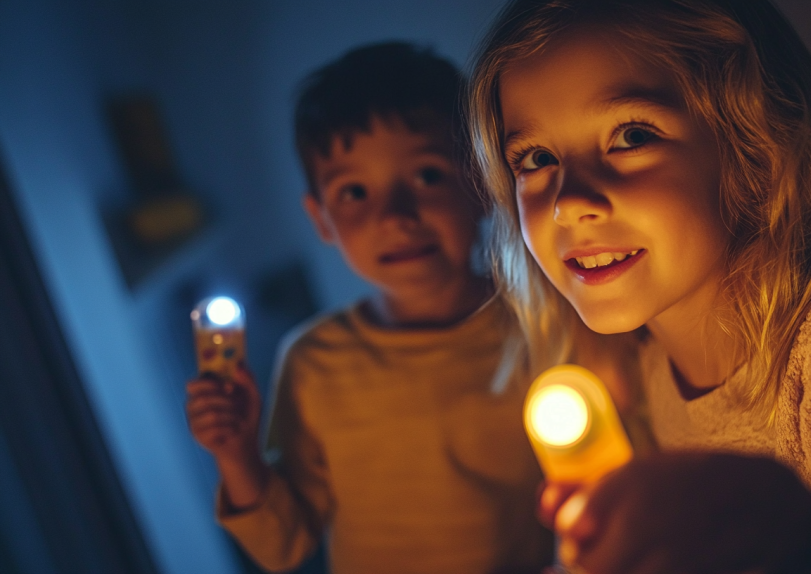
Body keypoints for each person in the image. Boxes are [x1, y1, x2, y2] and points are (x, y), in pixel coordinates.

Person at [467, 1, 811, 572]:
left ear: (754, 149)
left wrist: (797, 529)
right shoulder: (643, 371)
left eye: (631, 135)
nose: (569, 203)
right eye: (536, 157)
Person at [185, 42, 552, 574]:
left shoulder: (539, 323)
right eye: (355, 192)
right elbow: (281, 548)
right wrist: (236, 455)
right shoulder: (314, 364)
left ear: (480, 180)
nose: (395, 215)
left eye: (427, 175)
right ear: (322, 219)